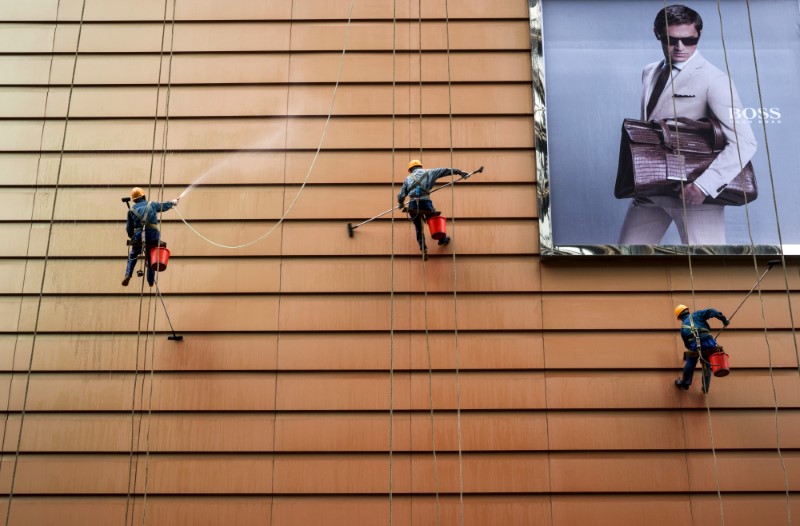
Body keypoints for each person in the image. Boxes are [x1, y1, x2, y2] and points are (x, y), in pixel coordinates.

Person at [618, 4, 757, 245]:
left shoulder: (715, 80)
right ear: (657, 33)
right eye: (671, 40)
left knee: (708, 272)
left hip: (694, 194)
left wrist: (704, 186)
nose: (680, 47)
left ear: (699, 35)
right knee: (625, 262)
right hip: (651, 189)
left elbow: (745, 142)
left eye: (689, 40)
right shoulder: (650, 71)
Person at [397, 160, 469, 260]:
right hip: (425, 202)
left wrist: (401, 203)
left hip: (413, 204)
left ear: (410, 170)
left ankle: (423, 249)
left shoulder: (408, 179)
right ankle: (442, 239)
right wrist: (459, 172)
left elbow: (401, 195)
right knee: (434, 221)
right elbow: (445, 171)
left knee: (418, 227)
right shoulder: (429, 172)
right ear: (420, 167)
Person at [123, 187, 179, 287]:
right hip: (152, 233)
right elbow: (163, 206)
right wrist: (173, 203)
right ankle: (151, 281)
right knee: (151, 258)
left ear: (134, 200)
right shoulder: (151, 204)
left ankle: (128, 275)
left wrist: (133, 237)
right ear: (144, 196)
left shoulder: (131, 210)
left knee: (133, 254)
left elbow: (129, 229)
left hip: (139, 234)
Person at [674, 304, 729, 393]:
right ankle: (706, 386)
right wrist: (723, 319)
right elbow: (712, 311)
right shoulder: (697, 314)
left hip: (696, 345)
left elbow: (687, 344)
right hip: (709, 342)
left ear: (679, 317)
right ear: (687, 311)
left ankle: (685, 383)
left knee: (691, 361)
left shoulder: (683, 328)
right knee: (706, 362)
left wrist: (690, 351)